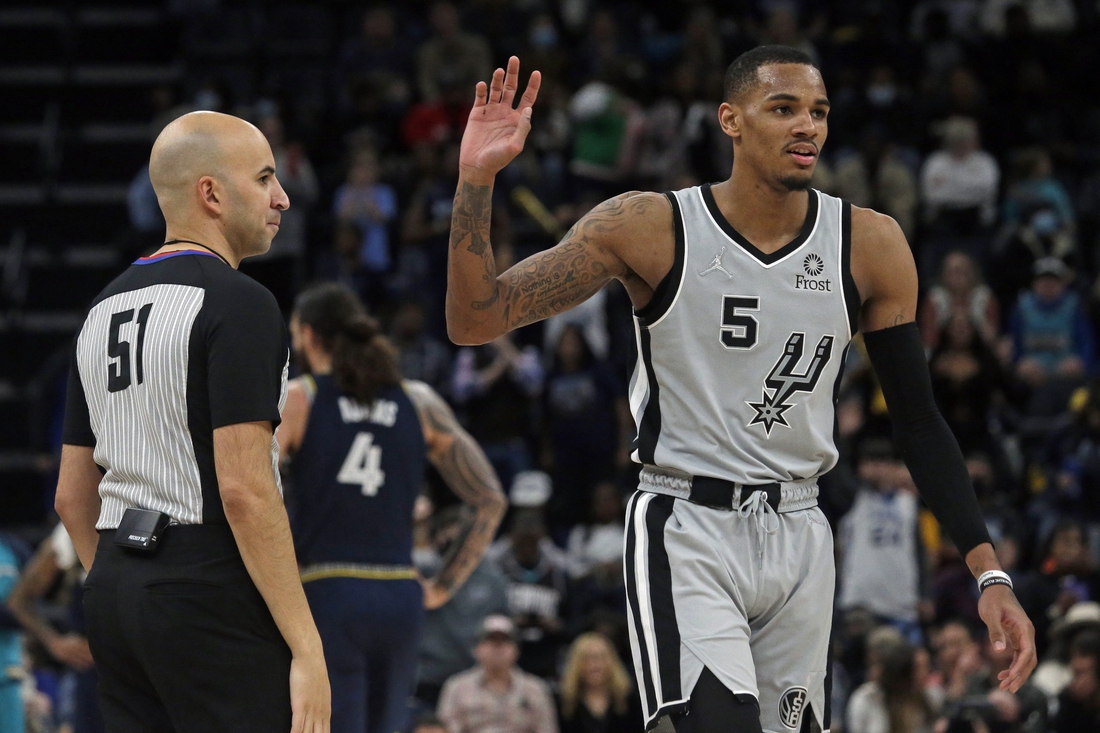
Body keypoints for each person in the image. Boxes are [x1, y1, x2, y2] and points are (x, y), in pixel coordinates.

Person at [446, 48, 1036, 732]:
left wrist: (990, 573)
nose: (805, 127)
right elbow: (475, 318)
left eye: (816, 112)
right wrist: (475, 181)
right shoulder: (649, 227)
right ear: (730, 119)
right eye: (782, 109)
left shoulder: (870, 244)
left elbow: (919, 421)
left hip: (801, 531)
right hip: (687, 521)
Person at [54, 111, 330, 733]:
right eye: (264, 178)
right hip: (208, 589)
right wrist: (308, 648)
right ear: (211, 193)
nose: (282, 196)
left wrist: (134, 589)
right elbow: (244, 489)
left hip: (114, 591)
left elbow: (73, 498)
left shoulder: (101, 309)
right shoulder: (241, 302)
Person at [277, 283, 507, 733]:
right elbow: (489, 498)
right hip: (399, 593)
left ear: (307, 335)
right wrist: (441, 586)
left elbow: (251, 488)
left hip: (327, 587)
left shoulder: (300, 397)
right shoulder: (419, 401)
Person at [6, 523, 102, 733]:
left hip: (149, 665)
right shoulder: (73, 531)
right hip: (94, 676)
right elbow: (19, 600)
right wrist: (54, 642)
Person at [436, 615, 558, 733]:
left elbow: (546, 729)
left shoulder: (535, 689)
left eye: (505, 641)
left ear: (516, 650)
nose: (497, 647)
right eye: (490, 640)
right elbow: (446, 730)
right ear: (476, 648)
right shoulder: (457, 687)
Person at [558, 632, 642, 733]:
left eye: (601, 657)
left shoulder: (631, 701)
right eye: (587, 658)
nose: (595, 666)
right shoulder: (563, 705)